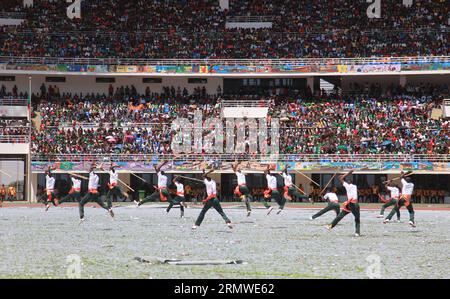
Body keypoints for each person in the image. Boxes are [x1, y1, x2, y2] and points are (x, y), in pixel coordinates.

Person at [327, 170, 361, 237]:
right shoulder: (355, 186)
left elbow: (341, 179)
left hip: (350, 204)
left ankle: (330, 226)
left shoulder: (347, 186)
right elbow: (345, 179)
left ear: (347, 183)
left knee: (340, 216)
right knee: (357, 219)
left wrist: (346, 174)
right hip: (355, 204)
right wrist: (350, 173)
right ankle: (357, 232)